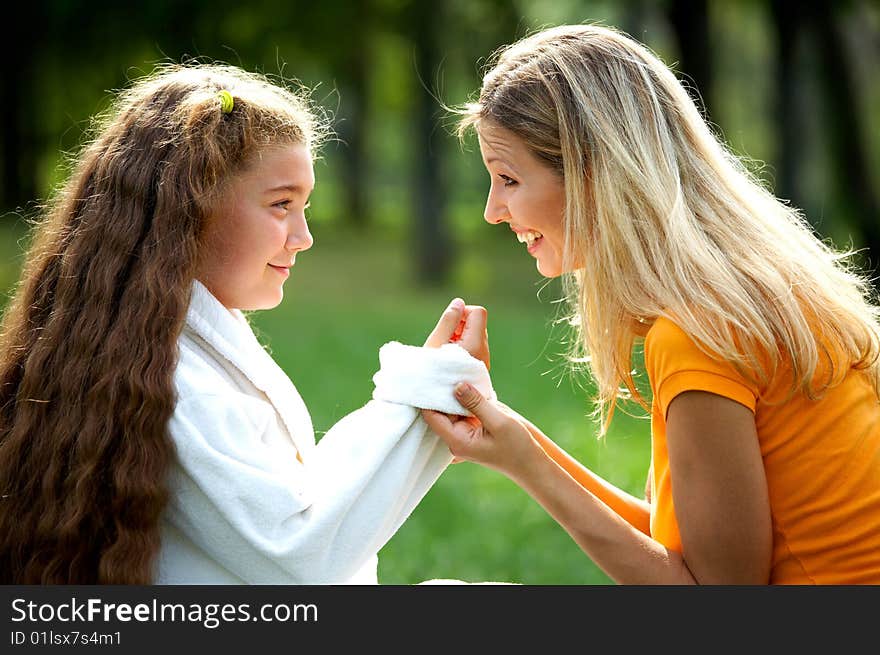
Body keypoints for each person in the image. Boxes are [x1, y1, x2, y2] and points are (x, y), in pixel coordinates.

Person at [0, 63, 495, 584]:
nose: (303, 236)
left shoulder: (151, 354)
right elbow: (297, 554)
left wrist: (421, 397)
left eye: (304, 207)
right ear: (187, 209)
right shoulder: (176, 387)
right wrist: (423, 399)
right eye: (281, 205)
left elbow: (289, 503)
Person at [424, 24, 880, 584]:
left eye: (509, 179)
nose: (493, 210)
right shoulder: (745, 293)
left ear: (595, 176)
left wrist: (528, 465)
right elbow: (686, 549)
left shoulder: (698, 333)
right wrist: (515, 442)